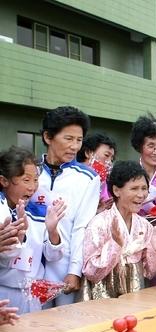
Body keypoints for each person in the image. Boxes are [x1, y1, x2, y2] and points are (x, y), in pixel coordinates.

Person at [33, 106, 100, 307]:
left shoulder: (88, 178)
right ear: (48, 137)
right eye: (68, 139)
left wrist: (74, 270)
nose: (74, 146)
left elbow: (82, 227)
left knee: (67, 327)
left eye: (78, 140)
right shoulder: (30, 174)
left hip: (64, 270)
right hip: (30, 269)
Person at [82, 161, 156, 299]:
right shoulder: (99, 223)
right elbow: (91, 272)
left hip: (134, 294)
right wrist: (115, 245)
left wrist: (154, 249)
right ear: (116, 190)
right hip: (104, 296)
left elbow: (150, 273)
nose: (141, 194)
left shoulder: (145, 226)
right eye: (134, 188)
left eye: (144, 188)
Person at [0, 147, 66, 313]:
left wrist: (52, 232)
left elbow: (53, 255)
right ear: (4, 181)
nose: (32, 187)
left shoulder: (39, 211)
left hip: (33, 293)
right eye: (26, 180)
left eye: (36, 180)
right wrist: (19, 238)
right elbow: (5, 259)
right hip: (5, 292)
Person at [77, 132, 117, 212]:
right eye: (106, 155)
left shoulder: (104, 181)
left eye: (112, 159)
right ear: (88, 153)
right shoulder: (74, 176)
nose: (109, 162)